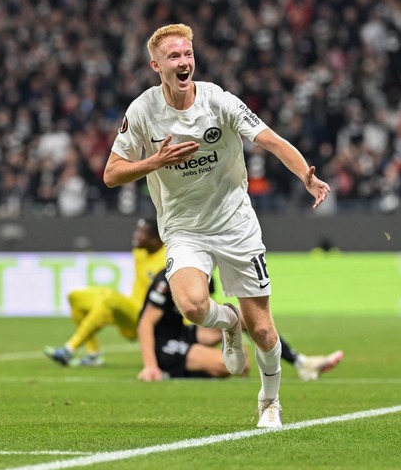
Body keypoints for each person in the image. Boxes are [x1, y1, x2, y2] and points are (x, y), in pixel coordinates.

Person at [104, 23, 331, 428]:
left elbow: (271, 140)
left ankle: (269, 403)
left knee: (262, 330)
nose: (183, 62)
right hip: (185, 229)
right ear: (155, 65)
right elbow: (111, 174)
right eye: (174, 56)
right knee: (191, 306)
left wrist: (305, 177)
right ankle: (227, 321)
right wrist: (154, 162)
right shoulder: (142, 111)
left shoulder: (218, 101)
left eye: (187, 54)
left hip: (235, 225)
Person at [137, 269, 344, 382]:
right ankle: (168, 371)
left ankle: (301, 363)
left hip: (184, 333)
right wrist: (150, 366)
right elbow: (145, 323)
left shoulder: (207, 275)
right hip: (164, 345)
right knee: (231, 366)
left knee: (244, 316)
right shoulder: (167, 277)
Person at [43, 217, 166, 367]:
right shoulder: (139, 252)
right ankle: (93, 355)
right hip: (130, 309)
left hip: (146, 316)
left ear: (154, 239)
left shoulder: (166, 260)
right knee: (75, 297)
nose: (136, 235)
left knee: (109, 298)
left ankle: (69, 349)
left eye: (141, 232)